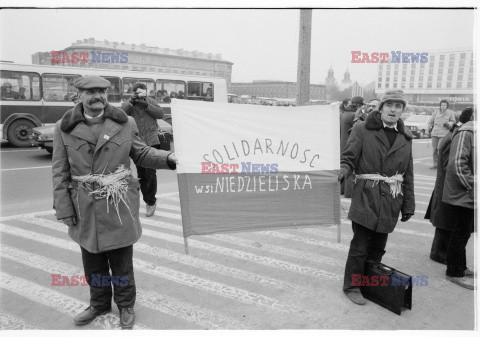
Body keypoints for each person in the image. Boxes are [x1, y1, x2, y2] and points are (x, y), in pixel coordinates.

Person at [52, 76, 177, 328]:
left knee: (121, 261)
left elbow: (142, 153)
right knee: (92, 261)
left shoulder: (125, 122)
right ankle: (98, 304)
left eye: (101, 91)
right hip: (84, 205)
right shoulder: (63, 127)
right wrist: (64, 208)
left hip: (118, 203)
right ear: (79, 96)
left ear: (107, 95)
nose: (96, 96)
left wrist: (170, 158)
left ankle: (125, 305)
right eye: (90, 92)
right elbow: (59, 171)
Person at [338, 89, 415, 305]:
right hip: (366, 195)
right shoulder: (362, 129)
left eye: (398, 106)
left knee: (379, 246)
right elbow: (349, 158)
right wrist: (342, 172)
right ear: (380, 108)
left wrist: (408, 204)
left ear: (402, 111)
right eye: (389, 105)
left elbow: (408, 173)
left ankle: (369, 283)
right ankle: (352, 285)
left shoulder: (405, 137)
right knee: (360, 245)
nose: (393, 109)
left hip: (391, 199)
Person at [442, 107, 475, 290]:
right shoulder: (467, 132)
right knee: (460, 232)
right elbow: (457, 164)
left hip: (468, 193)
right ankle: (453, 272)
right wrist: (473, 185)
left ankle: (460, 267)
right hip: (464, 193)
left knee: (464, 231)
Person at [121, 83, 165, 217]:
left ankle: (150, 202)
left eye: (143, 93)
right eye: (139, 93)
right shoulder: (130, 103)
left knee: (151, 173)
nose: (141, 96)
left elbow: (160, 114)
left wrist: (146, 105)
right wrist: (131, 102)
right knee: (142, 174)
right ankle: (147, 199)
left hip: (152, 141)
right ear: (134, 93)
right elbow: (121, 114)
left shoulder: (151, 101)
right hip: (137, 143)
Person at [340, 96, 364, 198]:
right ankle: (348, 193)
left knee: (343, 167)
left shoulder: (344, 113)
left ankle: (342, 190)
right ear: (358, 105)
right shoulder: (354, 115)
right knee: (351, 168)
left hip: (343, 142)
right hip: (350, 143)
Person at [428, 99, 456, 169]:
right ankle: (435, 164)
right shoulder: (436, 112)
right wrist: (430, 128)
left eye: (445, 105)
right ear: (440, 105)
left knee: (440, 148)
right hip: (435, 133)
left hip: (444, 133)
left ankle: (442, 164)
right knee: (434, 150)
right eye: (442, 105)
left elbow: (453, 121)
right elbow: (431, 121)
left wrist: (448, 123)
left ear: (447, 106)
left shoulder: (450, 112)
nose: (443, 106)